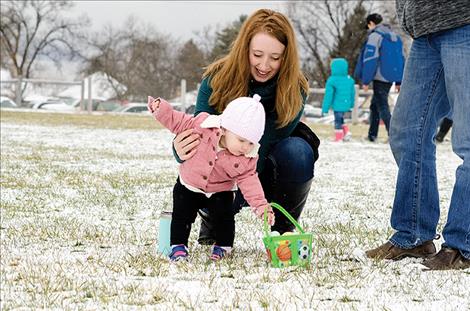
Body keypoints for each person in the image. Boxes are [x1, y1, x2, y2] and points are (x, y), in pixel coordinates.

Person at [172, 9, 319, 244]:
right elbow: (199, 129)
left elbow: (265, 142)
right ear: (245, 50)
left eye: (275, 57)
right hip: (222, 167)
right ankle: (213, 217)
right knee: (214, 176)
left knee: (298, 152)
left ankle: (282, 229)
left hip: (265, 166)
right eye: (257, 54)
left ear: (286, 56)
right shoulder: (217, 78)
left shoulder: (295, 87)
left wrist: (252, 194)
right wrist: (179, 151)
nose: (264, 65)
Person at [366, 0, 470, 270]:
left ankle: (462, 244)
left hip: (464, 21)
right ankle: (413, 235)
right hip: (425, 31)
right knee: (406, 132)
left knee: (468, 140)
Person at [148, 95, 275, 261]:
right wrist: (161, 109)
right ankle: (178, 246)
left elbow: (250, 181)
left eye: (251, 143)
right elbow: (177, 120)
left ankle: (223, 246)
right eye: (241, 140)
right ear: (224, 129)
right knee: (182, 215)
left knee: (224, 218)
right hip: (189, 184)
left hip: (220, 190)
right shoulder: (202, 125)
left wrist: (260, 206)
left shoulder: (248, 157)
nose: (245, 147)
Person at [354, 13, 405, 142]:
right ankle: (372, 135)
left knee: (382, 106)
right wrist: (399, 80)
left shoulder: (375, 36)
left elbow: (370, 59)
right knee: (375, 105)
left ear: (371, 23)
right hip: (391, 76)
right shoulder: (396, 37)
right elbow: (401, 59)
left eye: (368, 25)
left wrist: (365, 80)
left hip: (379, 76)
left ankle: (394, 135)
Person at [321, 58, 355, 142]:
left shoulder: (332, 80)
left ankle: (338, 137)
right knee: (341, 119)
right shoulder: (349, 80)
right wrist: (352, 104)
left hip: (337, 105)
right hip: (346, 104)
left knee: (337, 121)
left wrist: (325, 108)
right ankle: (346, 132)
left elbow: (328, 95)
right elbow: (352, 93)